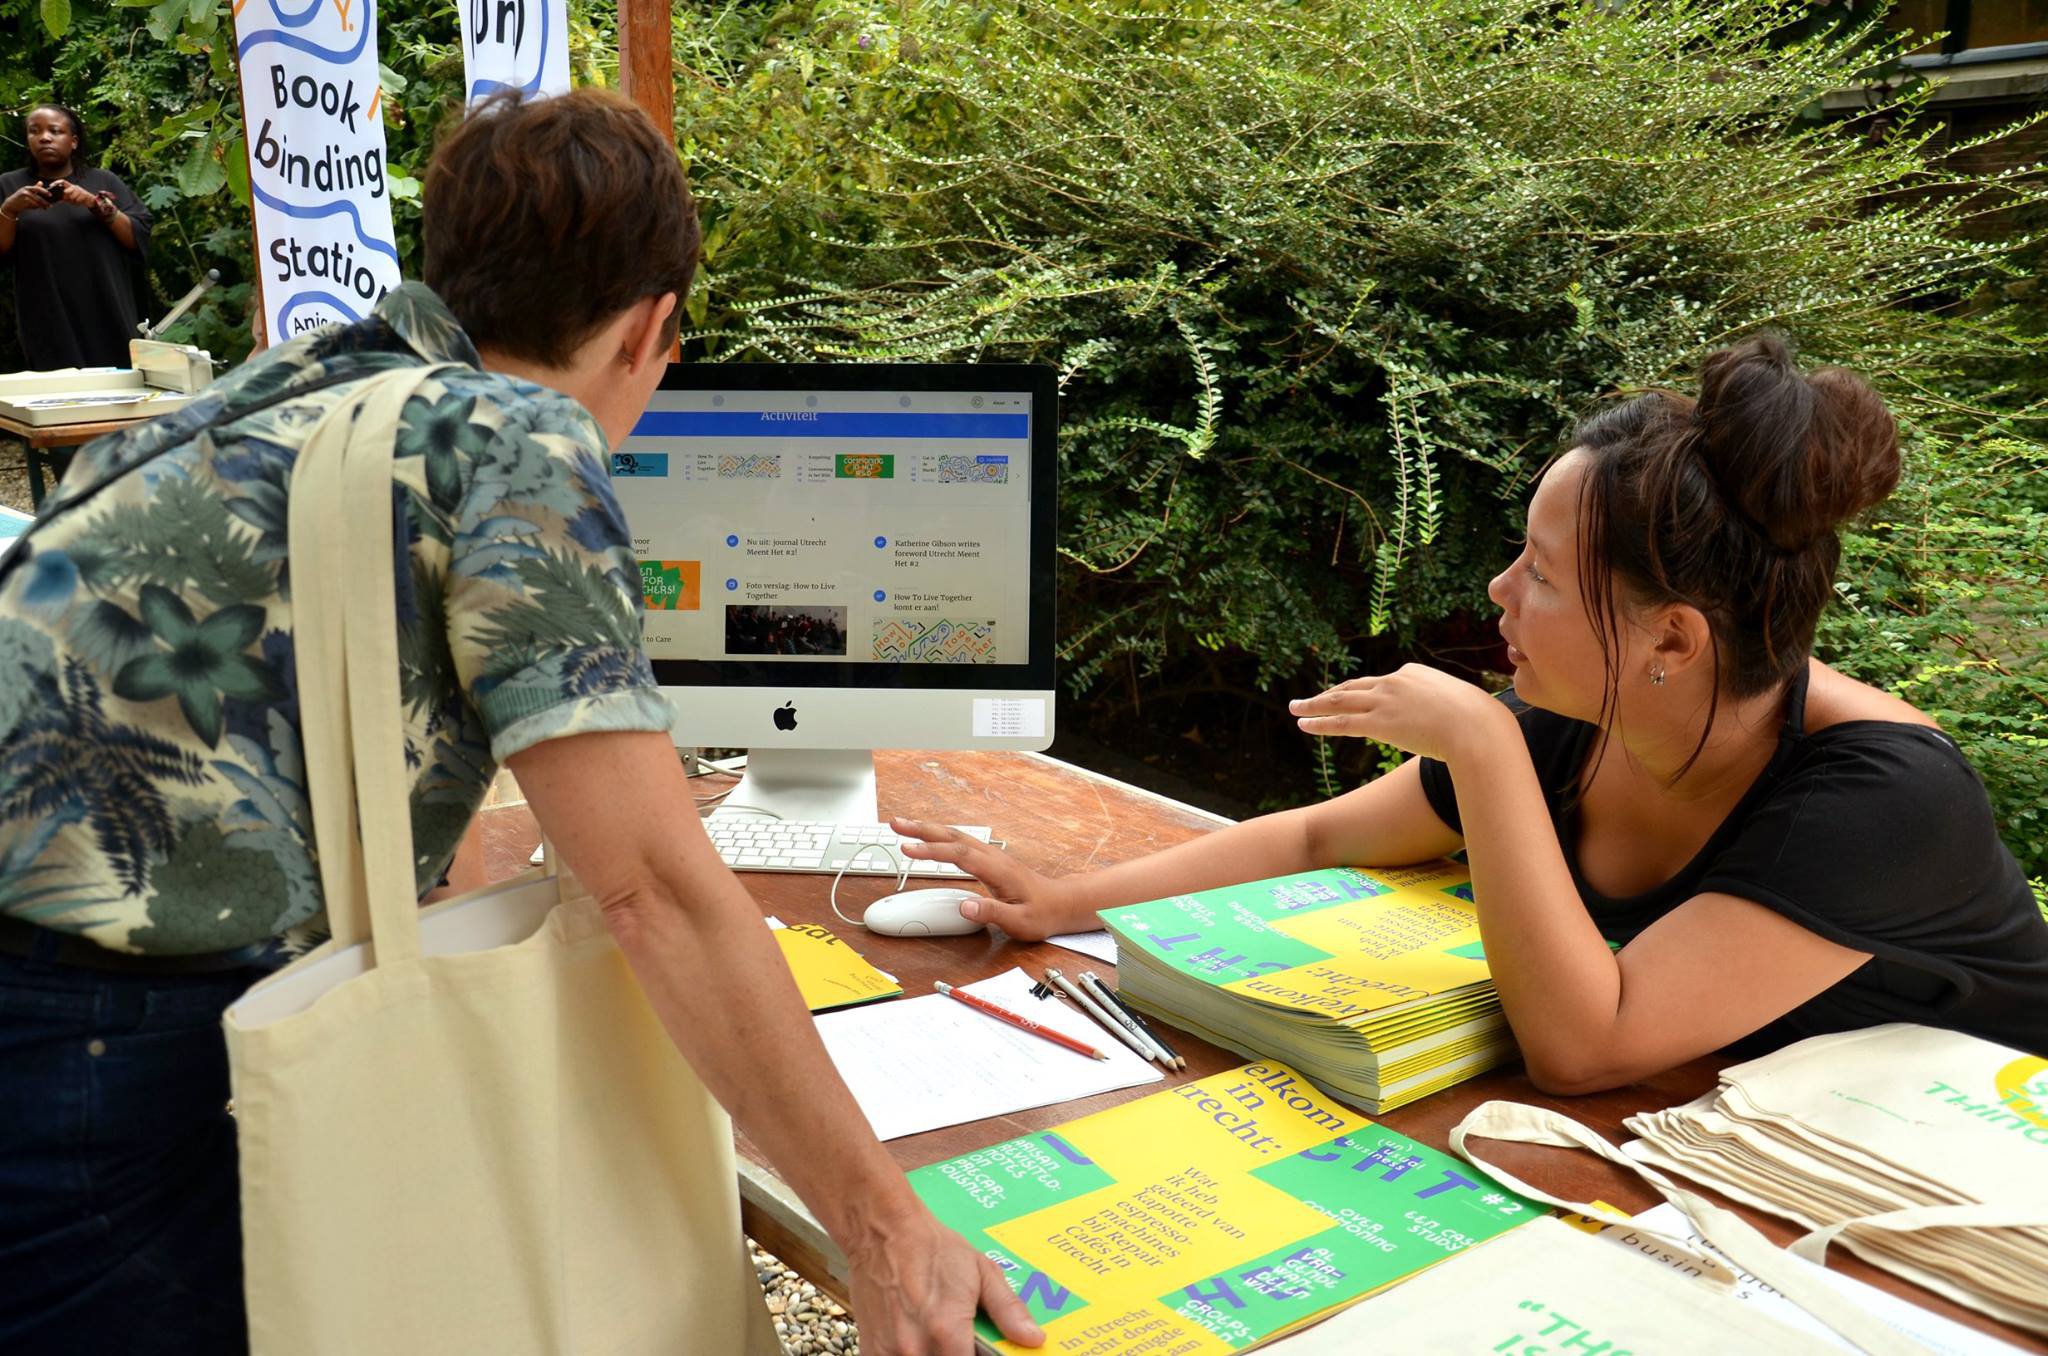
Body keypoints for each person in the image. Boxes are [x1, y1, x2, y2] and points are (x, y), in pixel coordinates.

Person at [0, 90, 1040, 1356]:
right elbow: (647, 885)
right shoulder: (516, 435)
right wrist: (885, 1232)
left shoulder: (304, 387)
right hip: (101, 1051)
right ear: (651, 325)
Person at [898, 335, 2048, 1082]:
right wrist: (1065, 899)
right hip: (1723, 1148)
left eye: (1541, 575)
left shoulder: (1877, 801)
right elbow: (1319, 833)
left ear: (1673, 637)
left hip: (1951, 1222)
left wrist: (1482, 747)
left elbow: (1584, 1043)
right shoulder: (1585, 716)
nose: (1499, 592)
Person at [0, 104, 152, 369]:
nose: (44, 137)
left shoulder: (103, 181)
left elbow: (137, 239)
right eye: (34, 131)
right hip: (47, 317)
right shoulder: (9, 186)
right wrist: (9, 209)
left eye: (55, 131)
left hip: (106, 309)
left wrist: (94, 204)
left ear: (73, 141)